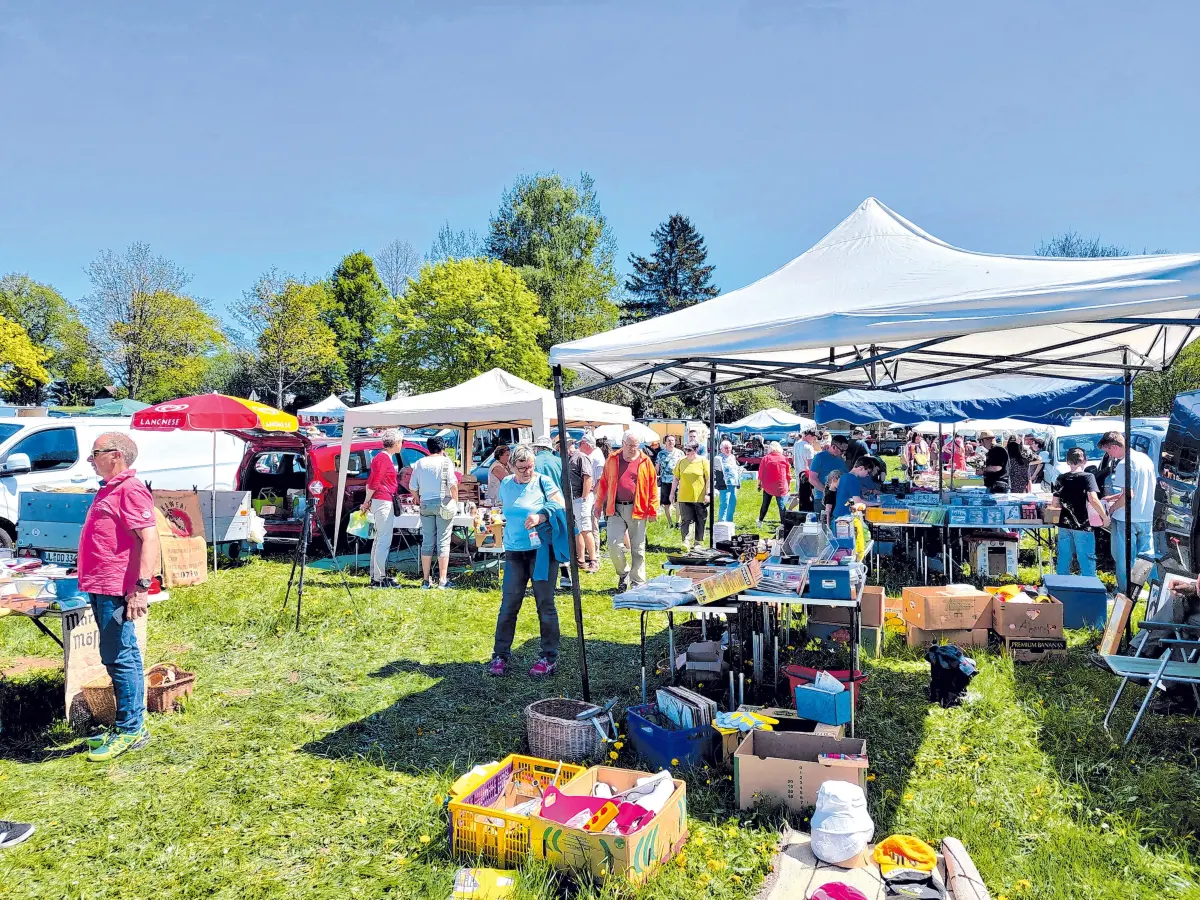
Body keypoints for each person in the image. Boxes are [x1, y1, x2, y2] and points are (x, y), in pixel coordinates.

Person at [77, 432, 160, 762]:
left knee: (121, 656)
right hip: (100, 585)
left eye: (94, 453)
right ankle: (129, 724)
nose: (90, 460)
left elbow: (150, 539)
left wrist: (141, 588)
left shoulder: (130, 488)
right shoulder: (108, 489)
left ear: (115, 455)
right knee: (116, 655)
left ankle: (132, 729)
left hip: (117, 588)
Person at [489, 445, 563, 678]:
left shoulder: (544, 482)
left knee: (545, 604)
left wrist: (541, 515)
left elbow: (561, 503)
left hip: (541, 552)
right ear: (512, 466)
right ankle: (500, 655)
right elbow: (506, 509)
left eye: (530, 467)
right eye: (521, 468)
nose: (526, 472)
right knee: (508, 605)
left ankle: (548, 657)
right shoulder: (507, 484)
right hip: (514, 551)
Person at [595, 430, 659, 592]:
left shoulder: (645, 461)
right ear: (622, 444)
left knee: (638, 548)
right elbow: (603, 483)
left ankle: (637, 581)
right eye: (630, 446)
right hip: (615, 508)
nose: (633, 449)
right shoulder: (613, 459)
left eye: (636, 446)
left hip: (637, 508)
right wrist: (597, 504)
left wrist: (652, 510)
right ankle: (623, 573)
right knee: (613, 545)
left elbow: (652, 487)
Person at [1101, 430, 1157, 596]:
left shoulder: (1124, 463)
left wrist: (1110, 509)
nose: (1109, 455)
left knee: (1124, 557)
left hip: (1126, 518)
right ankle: (1155, 590)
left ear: (1115, 446)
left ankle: (1124, 591)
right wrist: (1114, 497)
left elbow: (1128, 495)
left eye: (1108, 451)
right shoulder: (1144, 458)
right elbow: (1134, 490)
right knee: (1146, 557)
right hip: (1146, 515)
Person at [409, 435, 459, 589]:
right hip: (444, 503)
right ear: (443, 448)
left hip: (425, 504)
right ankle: (442, 580)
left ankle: (425, 580)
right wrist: (455, 502)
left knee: (427, 541)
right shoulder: (446, 462)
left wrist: (418, 499)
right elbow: (453, 484)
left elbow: (412, 487)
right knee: (443, 541)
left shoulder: (419, 463)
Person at [1052, 447, 1108, 576]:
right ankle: (1089, 588)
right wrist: (1104, 517)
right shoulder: (1088, 477)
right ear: (1085, 461)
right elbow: (1093, 499)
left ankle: (1061, 587)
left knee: (1064, 558)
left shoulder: (1061, 478)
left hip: (1064, 523)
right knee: (1086, 559)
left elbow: (1055, 502)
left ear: (1067, 462)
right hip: (1083, 524)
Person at [359, 430, 400, 588]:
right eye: (400, 442)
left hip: (380, 499)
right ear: (395, 443)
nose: (401, 445)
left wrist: (368, 500)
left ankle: (377, 576)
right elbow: (374, 481)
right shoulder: (383, 458)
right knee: (383, 540)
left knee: (379, 540)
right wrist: (366, 501)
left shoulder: (381, 457)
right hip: (382, 500)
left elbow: (373, 481)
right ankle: (379, 578)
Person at [671, 442, 710, 551]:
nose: (687, 452)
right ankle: (686, 541)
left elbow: (708, 479)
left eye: (689, 450)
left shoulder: (703, 461)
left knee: (700, 520)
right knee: (685, 520)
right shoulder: (681, 462)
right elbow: (676, 478)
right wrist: (672, 493)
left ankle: (698, 542)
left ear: (696, 449)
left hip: (699, 497)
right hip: (684, 496)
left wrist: (707, 494)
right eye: (686, 450)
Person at [570, 433, 599, 573]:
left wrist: (584, 497)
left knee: (586, 529)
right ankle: (580, 560)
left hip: (580, 499)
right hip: (573, 499)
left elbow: (588, 478)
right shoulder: (569, 458)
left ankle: (593, 560)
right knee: (578, 530)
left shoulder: (581, 457)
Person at [757, 441, 792, 526]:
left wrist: (759, 484)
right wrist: (788, 485)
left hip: (768, 485)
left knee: (765, 504)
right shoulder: (784, 458)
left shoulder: (766, 458)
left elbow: (760, 473)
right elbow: (788, 474)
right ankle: (783, 524)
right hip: (781, 486)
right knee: (781, 506)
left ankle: (760, 521)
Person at [808, 437, 846, 516]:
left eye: (845, 450)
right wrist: (826, 491)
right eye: (842, 450)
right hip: (822, 498)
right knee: (823, 525)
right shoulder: (819, 457)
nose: (843, 453)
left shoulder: (841, 459)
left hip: (838, 498)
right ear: (833, 447)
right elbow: (812, 478)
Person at [655, 435, 684, 526]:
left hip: (677, 481)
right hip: (665, 481)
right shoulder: (661, 454)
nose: (671, 442)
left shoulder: (680, 453)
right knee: (666, 503)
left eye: (673, 440)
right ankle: (670, 523)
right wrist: (656, 476)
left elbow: (683, 466)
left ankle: (678, 522)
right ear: (665, 442)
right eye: (669, 440)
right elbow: (657, 466)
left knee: (678, 501)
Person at [715, 439, 742, 523]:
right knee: (724, 502)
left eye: (729, 448)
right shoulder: (718, 458)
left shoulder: (732, 457)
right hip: (724, 483)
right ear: (721, 449)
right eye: (726, 448)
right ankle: (721, 521)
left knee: (733, 502)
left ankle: (729, 521)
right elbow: (717, 471)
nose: (728, 450)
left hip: (733, 483)